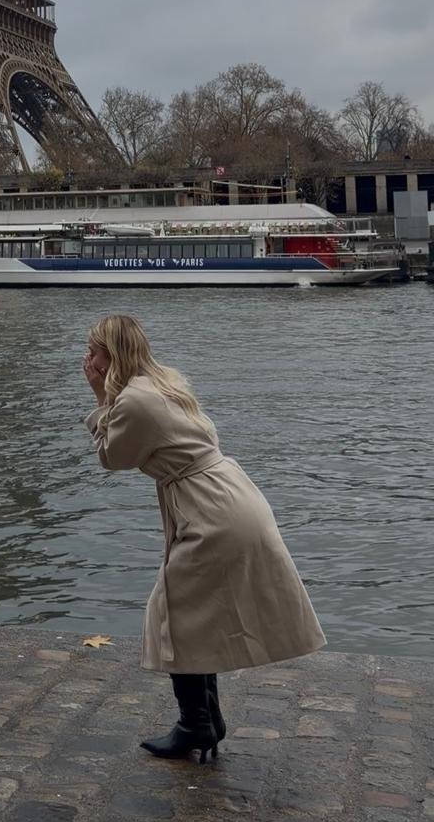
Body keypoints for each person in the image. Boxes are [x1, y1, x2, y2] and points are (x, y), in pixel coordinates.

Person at [82, 314, 325, 762]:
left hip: (209, 507)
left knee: (173, 611)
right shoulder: (163, 381)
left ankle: (196, 724)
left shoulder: (136, 400)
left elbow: (112, 457)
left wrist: (99, 397)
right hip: (225, 494)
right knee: (192, 611)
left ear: (112, 356)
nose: (87, 359)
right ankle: (205, 720)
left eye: (94, 351)